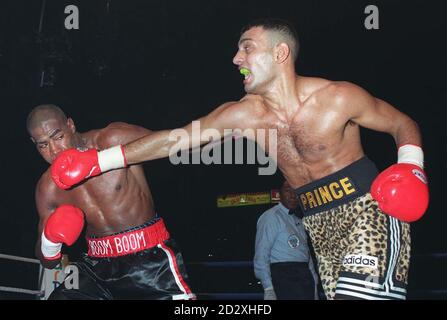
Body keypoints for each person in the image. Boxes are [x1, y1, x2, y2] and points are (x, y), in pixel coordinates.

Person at [49, 18, 429, 300]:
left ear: (280, 54)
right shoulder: (242, 115)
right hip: (317, 225)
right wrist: (100, 162)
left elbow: (401, 123)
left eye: (247, 47)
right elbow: (173, 141)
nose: (236, 58)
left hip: (366, 211)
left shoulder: (338, 97)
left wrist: (412, 168)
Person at [28, 104, 195, 300]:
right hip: (94, 267)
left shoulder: (111, 139)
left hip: (148, 260)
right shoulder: (47, 188)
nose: (54, 150)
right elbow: (46, 261)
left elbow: (174, 144)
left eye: (58, 137)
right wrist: (50, 242)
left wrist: (228, 133)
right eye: (43, 145)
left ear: (70, 125)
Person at [254, 180, 319, 300]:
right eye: (288, 190)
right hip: (283, 278)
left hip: (304, 279)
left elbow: (306, 256)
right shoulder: (271, 217)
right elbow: (261, 255)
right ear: (279, 193)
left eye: (296, 191)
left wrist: (314, 285)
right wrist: (268, 288)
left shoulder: (298, 220)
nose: (293, 195)